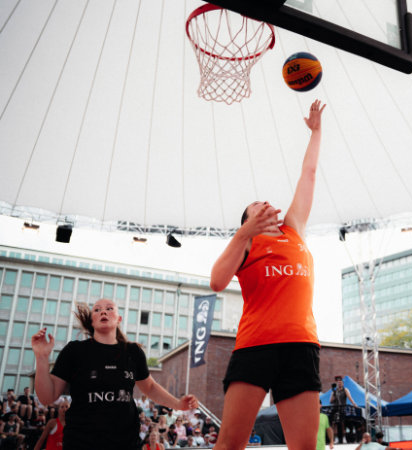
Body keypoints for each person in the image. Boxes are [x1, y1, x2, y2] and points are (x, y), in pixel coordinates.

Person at [209, 100, 326, 450]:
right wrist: (244, 232)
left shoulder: (295, 230)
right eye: (256, 206)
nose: (266, 205)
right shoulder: (246, 245)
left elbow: (309, 175)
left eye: (266, 203)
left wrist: (316, 131)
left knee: (305, 447)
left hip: (301, 346)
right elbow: (216, 281)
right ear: (247, 220)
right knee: (231, 444)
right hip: (255, 347)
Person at [31, 299, 198, 449]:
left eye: (109, 308)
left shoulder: (133, 352)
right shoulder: (75, 350)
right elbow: (47, 397)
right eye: (97, 310)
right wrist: (41, 357)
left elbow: (151, 387)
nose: (103, 311)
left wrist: (178, 404)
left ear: (119, 319)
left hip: (125, 442)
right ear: (92, 321)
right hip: (81, 442)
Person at [330, 375, 357, 444]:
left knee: (342, 423)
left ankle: (343, 438)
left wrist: (354, 403)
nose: (339, 384)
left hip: (342, 408)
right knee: (334, 422)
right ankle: (335, 438)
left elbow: (349, 397)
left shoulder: (345, 389)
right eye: (338, 383)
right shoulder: (335, 391)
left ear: (343, 383)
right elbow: (331, 401)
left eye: (341, 383)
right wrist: (333, 393)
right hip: (336, 408)